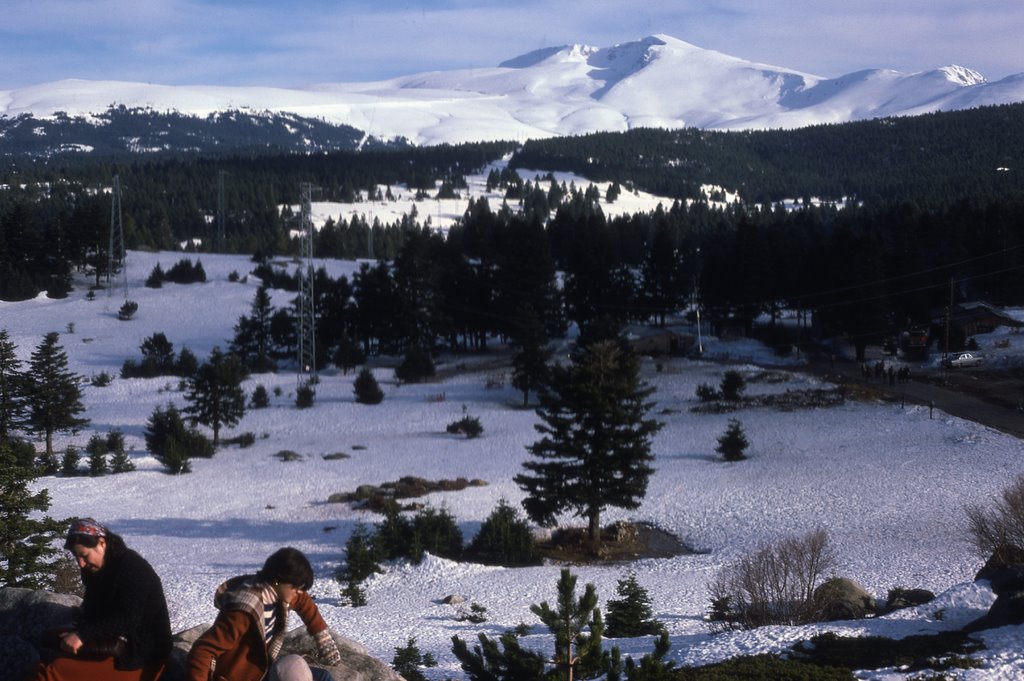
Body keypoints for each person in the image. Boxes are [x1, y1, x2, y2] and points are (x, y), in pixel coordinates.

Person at [34, 518, 172, 681]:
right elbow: (94, 607)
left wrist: (83, 635)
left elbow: (127, 619)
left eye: (84, 555)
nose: (81, 564)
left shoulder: (133, 569)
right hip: (114, 642)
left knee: (51, 672)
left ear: (102, 543)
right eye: (76, 557)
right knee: (47, 646)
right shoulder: (95, 569)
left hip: (142, 656)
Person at [187, 547, 341, 681]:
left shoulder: (279, 593)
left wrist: (321, 635)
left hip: (265, 668)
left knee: (323, 677)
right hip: (243, 677)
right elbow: (203, 650)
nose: (298, 592)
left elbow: (303, 601)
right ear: (277, 580)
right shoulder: (242, 613)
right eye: (295, 587)